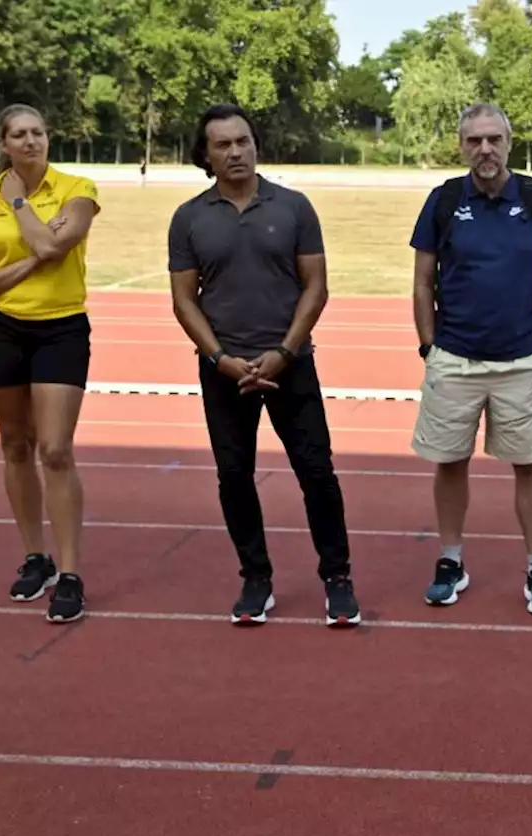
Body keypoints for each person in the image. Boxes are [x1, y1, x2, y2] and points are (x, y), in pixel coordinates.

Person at [167, 103, 360, 628]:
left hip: (290, 364)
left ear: (256, 145)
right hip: (224, 370)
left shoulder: (294, 207)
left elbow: (315, 287)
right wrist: (220, 359)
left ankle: (337, 579)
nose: (236, 152)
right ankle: (256, 579)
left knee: (317, 473)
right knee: (234, 477)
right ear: (204, 155)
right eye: (224, 145)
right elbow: (184, 300)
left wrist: (285, 351)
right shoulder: (189, 218)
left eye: (244, 141)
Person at [408, 102, 532, 615]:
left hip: (521, 359)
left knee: (529, 464)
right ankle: (451, 560)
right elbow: (421, 280)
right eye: (475, 140)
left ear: (509, 142)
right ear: (462, 146)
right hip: (454, 357)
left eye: (494, 139)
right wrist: (429, 345)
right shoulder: (443, 200)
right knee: (450, 462)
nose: (485, 150)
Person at [0, 102, 101, 624]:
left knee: (56, 448)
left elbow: (61, 246)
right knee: (15, 444)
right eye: (18, 134)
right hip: (0, 330)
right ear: (3, 143)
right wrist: (31, 256)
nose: (30, 141)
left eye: (38, 131)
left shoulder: (77, 189)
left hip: (61, 327)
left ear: (47, 137)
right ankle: (34, 557)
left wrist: (20, 205)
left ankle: (70, 573)